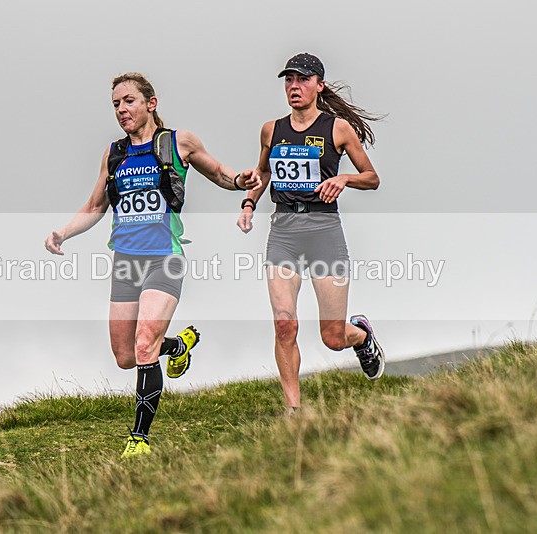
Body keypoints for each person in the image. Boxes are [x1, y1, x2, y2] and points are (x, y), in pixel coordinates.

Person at [45, 72, 260, 457]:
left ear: (151, 103)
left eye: (128, 101)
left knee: (145, 344)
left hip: (165, 257)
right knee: (126, 356)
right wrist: (63, 232)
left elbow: (220, 173)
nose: (121, 110)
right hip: (126, 263)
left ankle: (139, 439)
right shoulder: (115, 153)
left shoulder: (178, 142)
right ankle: (178, 346)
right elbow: (95, 206)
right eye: (115, 104)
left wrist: (242, 180)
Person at [237, 53, 385, 411]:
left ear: (319, 85)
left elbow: (372, 178)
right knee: (284, 324)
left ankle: (361, 336)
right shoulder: (271, 130)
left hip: (323, 230)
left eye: (302, 80)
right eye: (288, 80)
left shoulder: (337, 129)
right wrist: (249, 203)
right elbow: (263, 174)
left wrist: (344, 178)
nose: (294, 87)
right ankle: (294, 411)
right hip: (284, 230)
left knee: (333, 338)